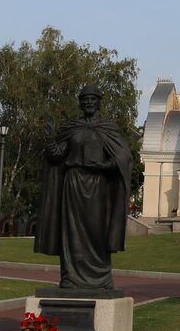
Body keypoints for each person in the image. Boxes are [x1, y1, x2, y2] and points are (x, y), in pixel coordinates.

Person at [34, 84, 132, 291]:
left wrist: (104, 165)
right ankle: (70, 277)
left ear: (99, 102)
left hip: (98, 185)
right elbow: (57, 155)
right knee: (71, 231)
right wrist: (51, 139)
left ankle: (103, 277)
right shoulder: (72, 128)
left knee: (97, 230)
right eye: (84, 99)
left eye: (92, 98)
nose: (88, 102)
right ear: (80, 103)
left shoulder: (108, 128)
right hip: (73, 183)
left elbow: (124, 158)